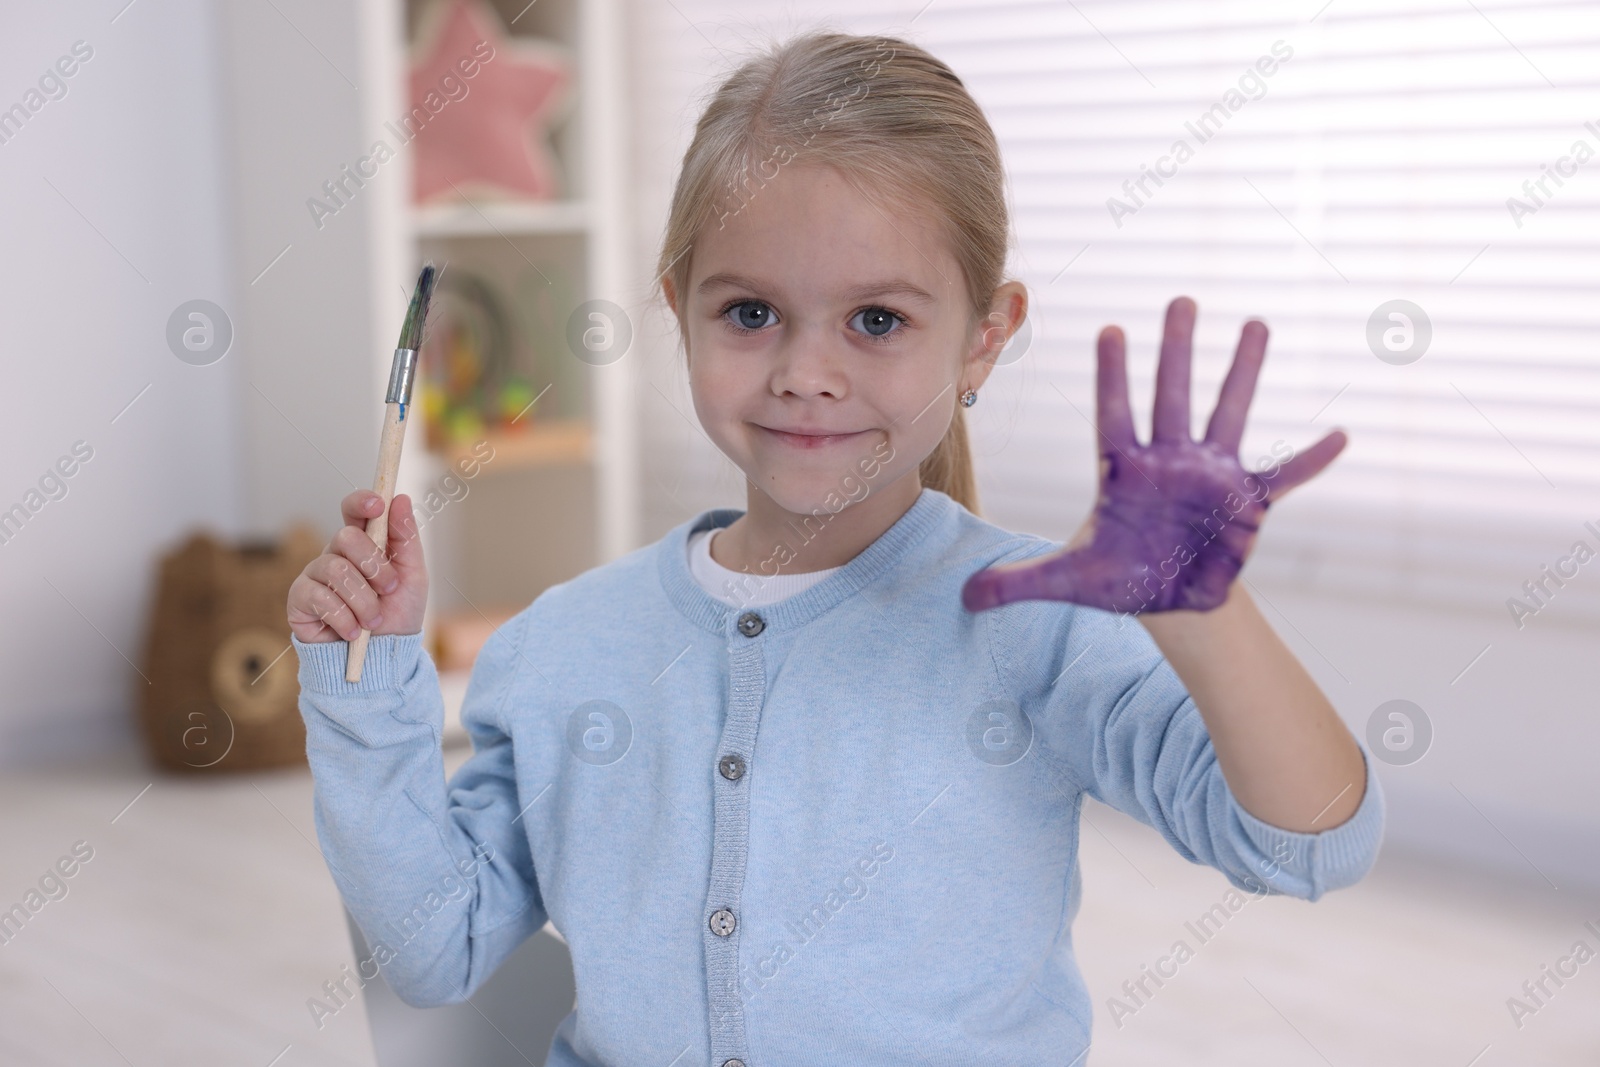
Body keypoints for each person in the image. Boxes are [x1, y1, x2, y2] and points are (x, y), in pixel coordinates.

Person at [286, 30, 1383, 1065]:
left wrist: (1203, 617)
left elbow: (1307, 844)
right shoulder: (564, 641)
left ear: (984, 337)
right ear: (679, 310)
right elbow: (434, 953)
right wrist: (365, 681)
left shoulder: (1031, 622)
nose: (807, 372)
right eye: (752, 312)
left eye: (875, 321)